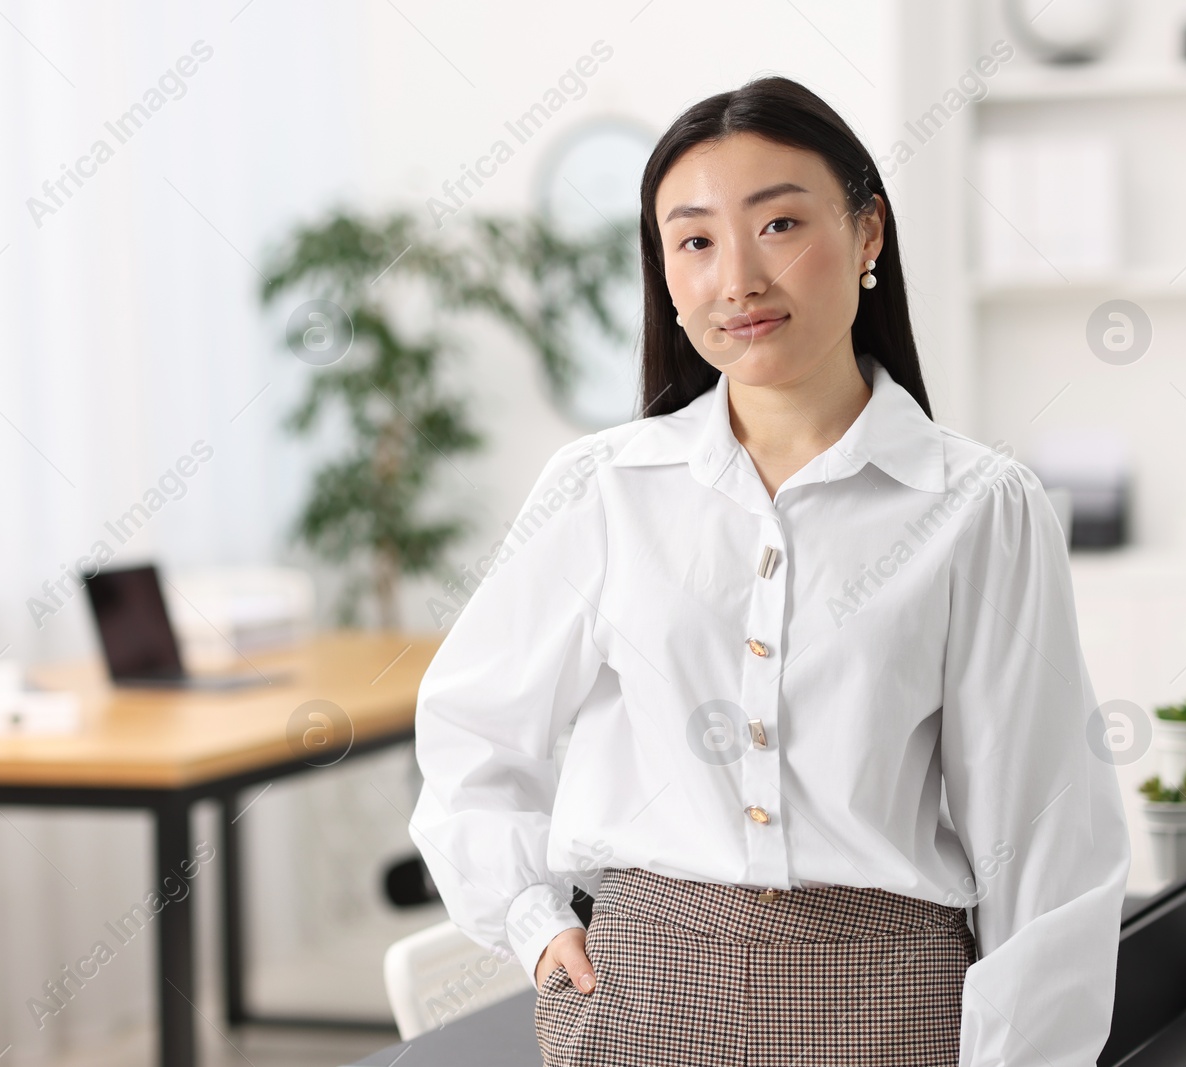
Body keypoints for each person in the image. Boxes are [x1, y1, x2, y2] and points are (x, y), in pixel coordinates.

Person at [408, 74, 1130, 1067]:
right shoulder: (601, 488)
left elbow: (1046, 834)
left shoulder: (979, 506)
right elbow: (471, 733)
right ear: (664, 271)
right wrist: (529, 919)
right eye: (694, 241)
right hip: (638, 998)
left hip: (891, 1004)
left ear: (867, 232)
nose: (736, 277)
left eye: (780, 224)